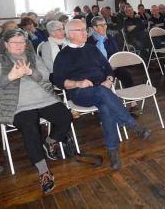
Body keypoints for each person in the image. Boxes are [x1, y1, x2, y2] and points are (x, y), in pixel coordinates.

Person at [53, 19, 151, 170]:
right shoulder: (63, 55)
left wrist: (110, 79)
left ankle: (112, 152)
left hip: (102, 90)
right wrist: (78, 83)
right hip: (80, 93)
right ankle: (133, 125)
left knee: (105, 106)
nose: (86, 33)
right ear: (70, 34)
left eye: (86, 29)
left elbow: (108, 67)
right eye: (81, 30)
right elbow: (58, 81)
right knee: (102, 93)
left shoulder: (92, 49)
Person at [0, 29, 72, 193]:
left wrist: (30, 71)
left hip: (43, 99)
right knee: (30, 129)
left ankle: (50, 141)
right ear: (6, 45)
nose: (19, 46)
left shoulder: (32, 57)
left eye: (22, 42)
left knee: (65, 117)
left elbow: (46, 75)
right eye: (14, 42)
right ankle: (43, 172)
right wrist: (10, 76)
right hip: (19, 105)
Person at [87, 16, 141, 115]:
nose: (105, 27)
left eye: (105, 25)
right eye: (101, 25)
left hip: (112, 66)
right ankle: (102, 106)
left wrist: (113, 64)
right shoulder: (89, 41)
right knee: (98, 79)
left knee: (126, 74)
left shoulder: (110, 38)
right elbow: (90, 58)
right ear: (94, 28)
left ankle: (133, 103)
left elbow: (116, 53)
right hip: (98, 69)